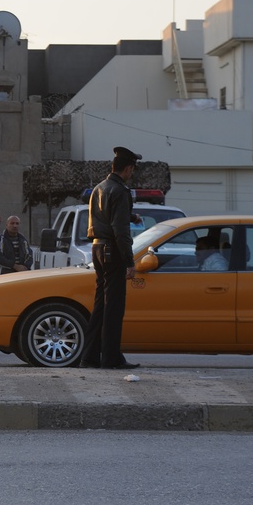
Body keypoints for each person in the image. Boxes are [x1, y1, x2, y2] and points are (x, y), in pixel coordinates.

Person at [80, 147, 143, 370]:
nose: (131, 174)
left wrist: (132, 216)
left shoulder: (99, 188)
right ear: (128, 168)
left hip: (97, 248)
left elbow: (104, 218)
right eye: (132, 170)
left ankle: (89, 357)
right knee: (114, 306)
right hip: (113, 251)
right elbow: (119, 230)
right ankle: (112, 358)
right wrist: (129, 261)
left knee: (100, 306)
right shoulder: (120, 191)